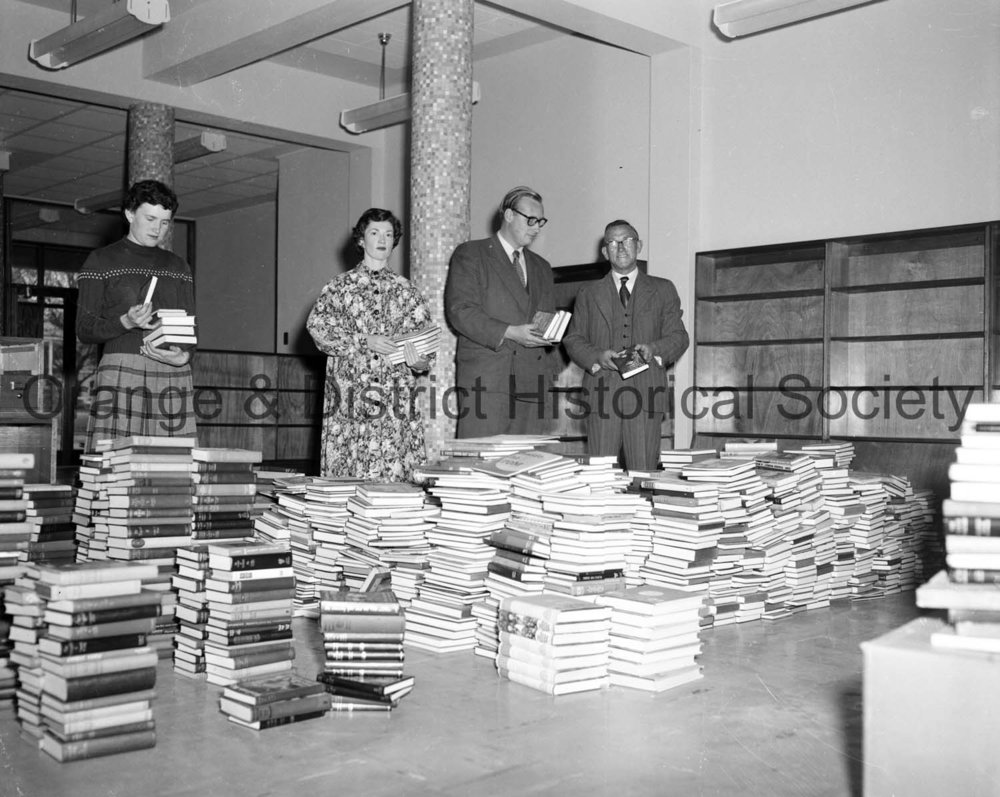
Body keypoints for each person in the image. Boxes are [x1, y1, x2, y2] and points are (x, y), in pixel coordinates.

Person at [306, 208, 434, 482]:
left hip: (394, 400)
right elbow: (318, 329)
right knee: (349, 476)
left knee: (394, 478)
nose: (382, 239)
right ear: (361, 240)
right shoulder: (339, 287)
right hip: (352, 396)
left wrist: (419, 361)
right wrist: (365, 341)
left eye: (388, 234)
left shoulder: (407, 291)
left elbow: (426, 349)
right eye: (374, 232)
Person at [76, 179, 196, 450]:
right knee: (114, 463)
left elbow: (191, 330)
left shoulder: (179, 266)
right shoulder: (101, 261)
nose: (158, 229)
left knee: (171, 466)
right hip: (121, 369)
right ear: (130, 214)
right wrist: (126, 322)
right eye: (151, 218)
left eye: (165, 222)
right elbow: (84, 329)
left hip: (171, 373)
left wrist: (184, 356)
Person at [562, 219, 689, 471]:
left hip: (646, 392)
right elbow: (573, 339)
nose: (620, 247)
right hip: (602, 394)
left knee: (643, 472)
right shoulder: (588, 292)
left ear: (639, 246)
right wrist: (598, 356)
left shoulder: (663, 289)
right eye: (612, 242)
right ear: (604, 251)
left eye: (627, 240)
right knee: (600, 474)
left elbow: (679, 336)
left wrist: (654, 349)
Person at [445, 186, 559, 438]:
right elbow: (460, 311)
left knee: (525, 466)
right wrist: (510, 332)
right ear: (508, 215)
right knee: (481, 465)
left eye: (540, 221)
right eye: (530, 220)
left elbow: (546, 320)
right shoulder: (471, 254)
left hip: (532, 384)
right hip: (488, 381)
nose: (537, 227)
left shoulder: (542, 267)